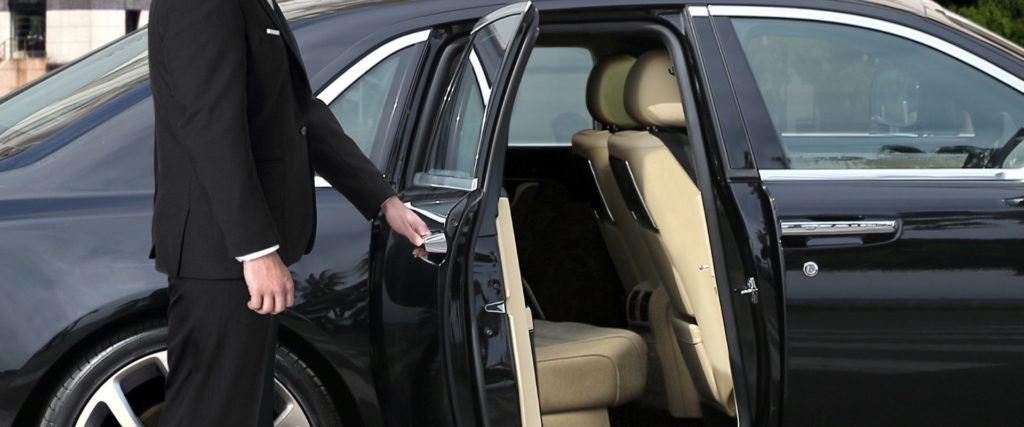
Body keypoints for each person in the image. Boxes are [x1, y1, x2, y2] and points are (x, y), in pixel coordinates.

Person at [146, 0, 430, 424]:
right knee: (216, 414)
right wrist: (256, 250)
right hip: (222, 256)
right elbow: (212, 127)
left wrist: (383, 200)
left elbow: (299, 113)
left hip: (233, 256)